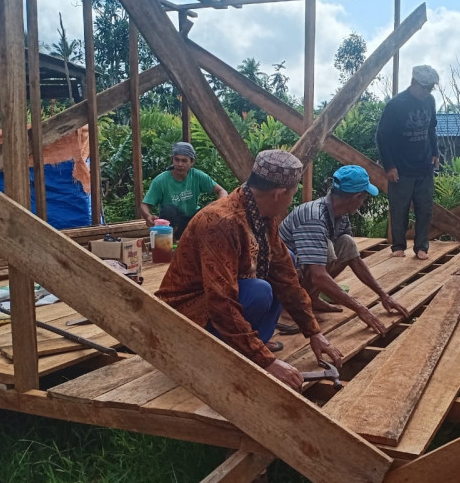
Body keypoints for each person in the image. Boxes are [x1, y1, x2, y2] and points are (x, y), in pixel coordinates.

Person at [156, 149, 342, 390]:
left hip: (218, 305)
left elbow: (286, 277)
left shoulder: (262, 215)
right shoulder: (221, 222)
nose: (291, 201)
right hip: (184, 318)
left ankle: (251, 345)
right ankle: (226, 353)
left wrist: (313, 331)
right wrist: (266, 361)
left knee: (286, 262)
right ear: (279, 193)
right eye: (292, 194)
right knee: (259, 290)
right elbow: (221, 301)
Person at [279, 165, 409, 335]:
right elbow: (318, 275)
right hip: (281, 277)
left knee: (346, 242)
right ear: (357, 196)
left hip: (302, 268)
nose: (363, 202)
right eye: (364, 197)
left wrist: (383, 295)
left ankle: (311, 297)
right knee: (326, 250)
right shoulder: (314, 217)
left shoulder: (340, 213)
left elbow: (353, 258)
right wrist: (360, 309)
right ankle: (290, 307)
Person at [376, 64, 440, 261]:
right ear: (414, 83)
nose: (428, 92)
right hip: (401, 167)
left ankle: (421, 247)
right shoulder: (396, 105)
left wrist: (435, 152)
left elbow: (431, 129)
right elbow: (382, 137)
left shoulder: (430, 101)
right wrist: (389, 166)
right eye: (425, 88)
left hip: (424, 165)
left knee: (425, 208)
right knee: (399, 208)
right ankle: (398, 246)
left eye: (431, 88)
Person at [140, 141, 228, 239]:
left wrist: (217, 207)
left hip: (193, 222)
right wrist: (147, 216)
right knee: (169, 210)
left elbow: (222, 191)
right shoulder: (161, 180)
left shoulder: (197, 176)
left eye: (184, 161)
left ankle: (202, 240)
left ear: (192, 162)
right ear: (172, 159)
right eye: (176, 160)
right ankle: (170, 241)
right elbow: (144, 204)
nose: (180, 164)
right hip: (171, 226)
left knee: (209, 209)